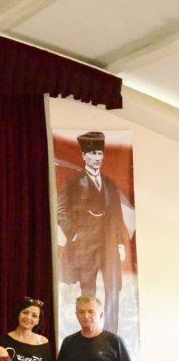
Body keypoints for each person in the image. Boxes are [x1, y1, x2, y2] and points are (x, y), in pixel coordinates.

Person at [57, 131, 130, 333]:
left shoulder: (110, 184)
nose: (97, 158)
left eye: (100, 153)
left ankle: (111, 333)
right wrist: (74, 234)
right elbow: (61, 211)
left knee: (112, 288)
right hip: (84, 244)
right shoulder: (72, 182)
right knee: (87, 290)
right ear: (84, 156)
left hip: (108, 243)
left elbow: (117, 216)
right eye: (93, 153)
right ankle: (89, 331)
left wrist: (120, 244)